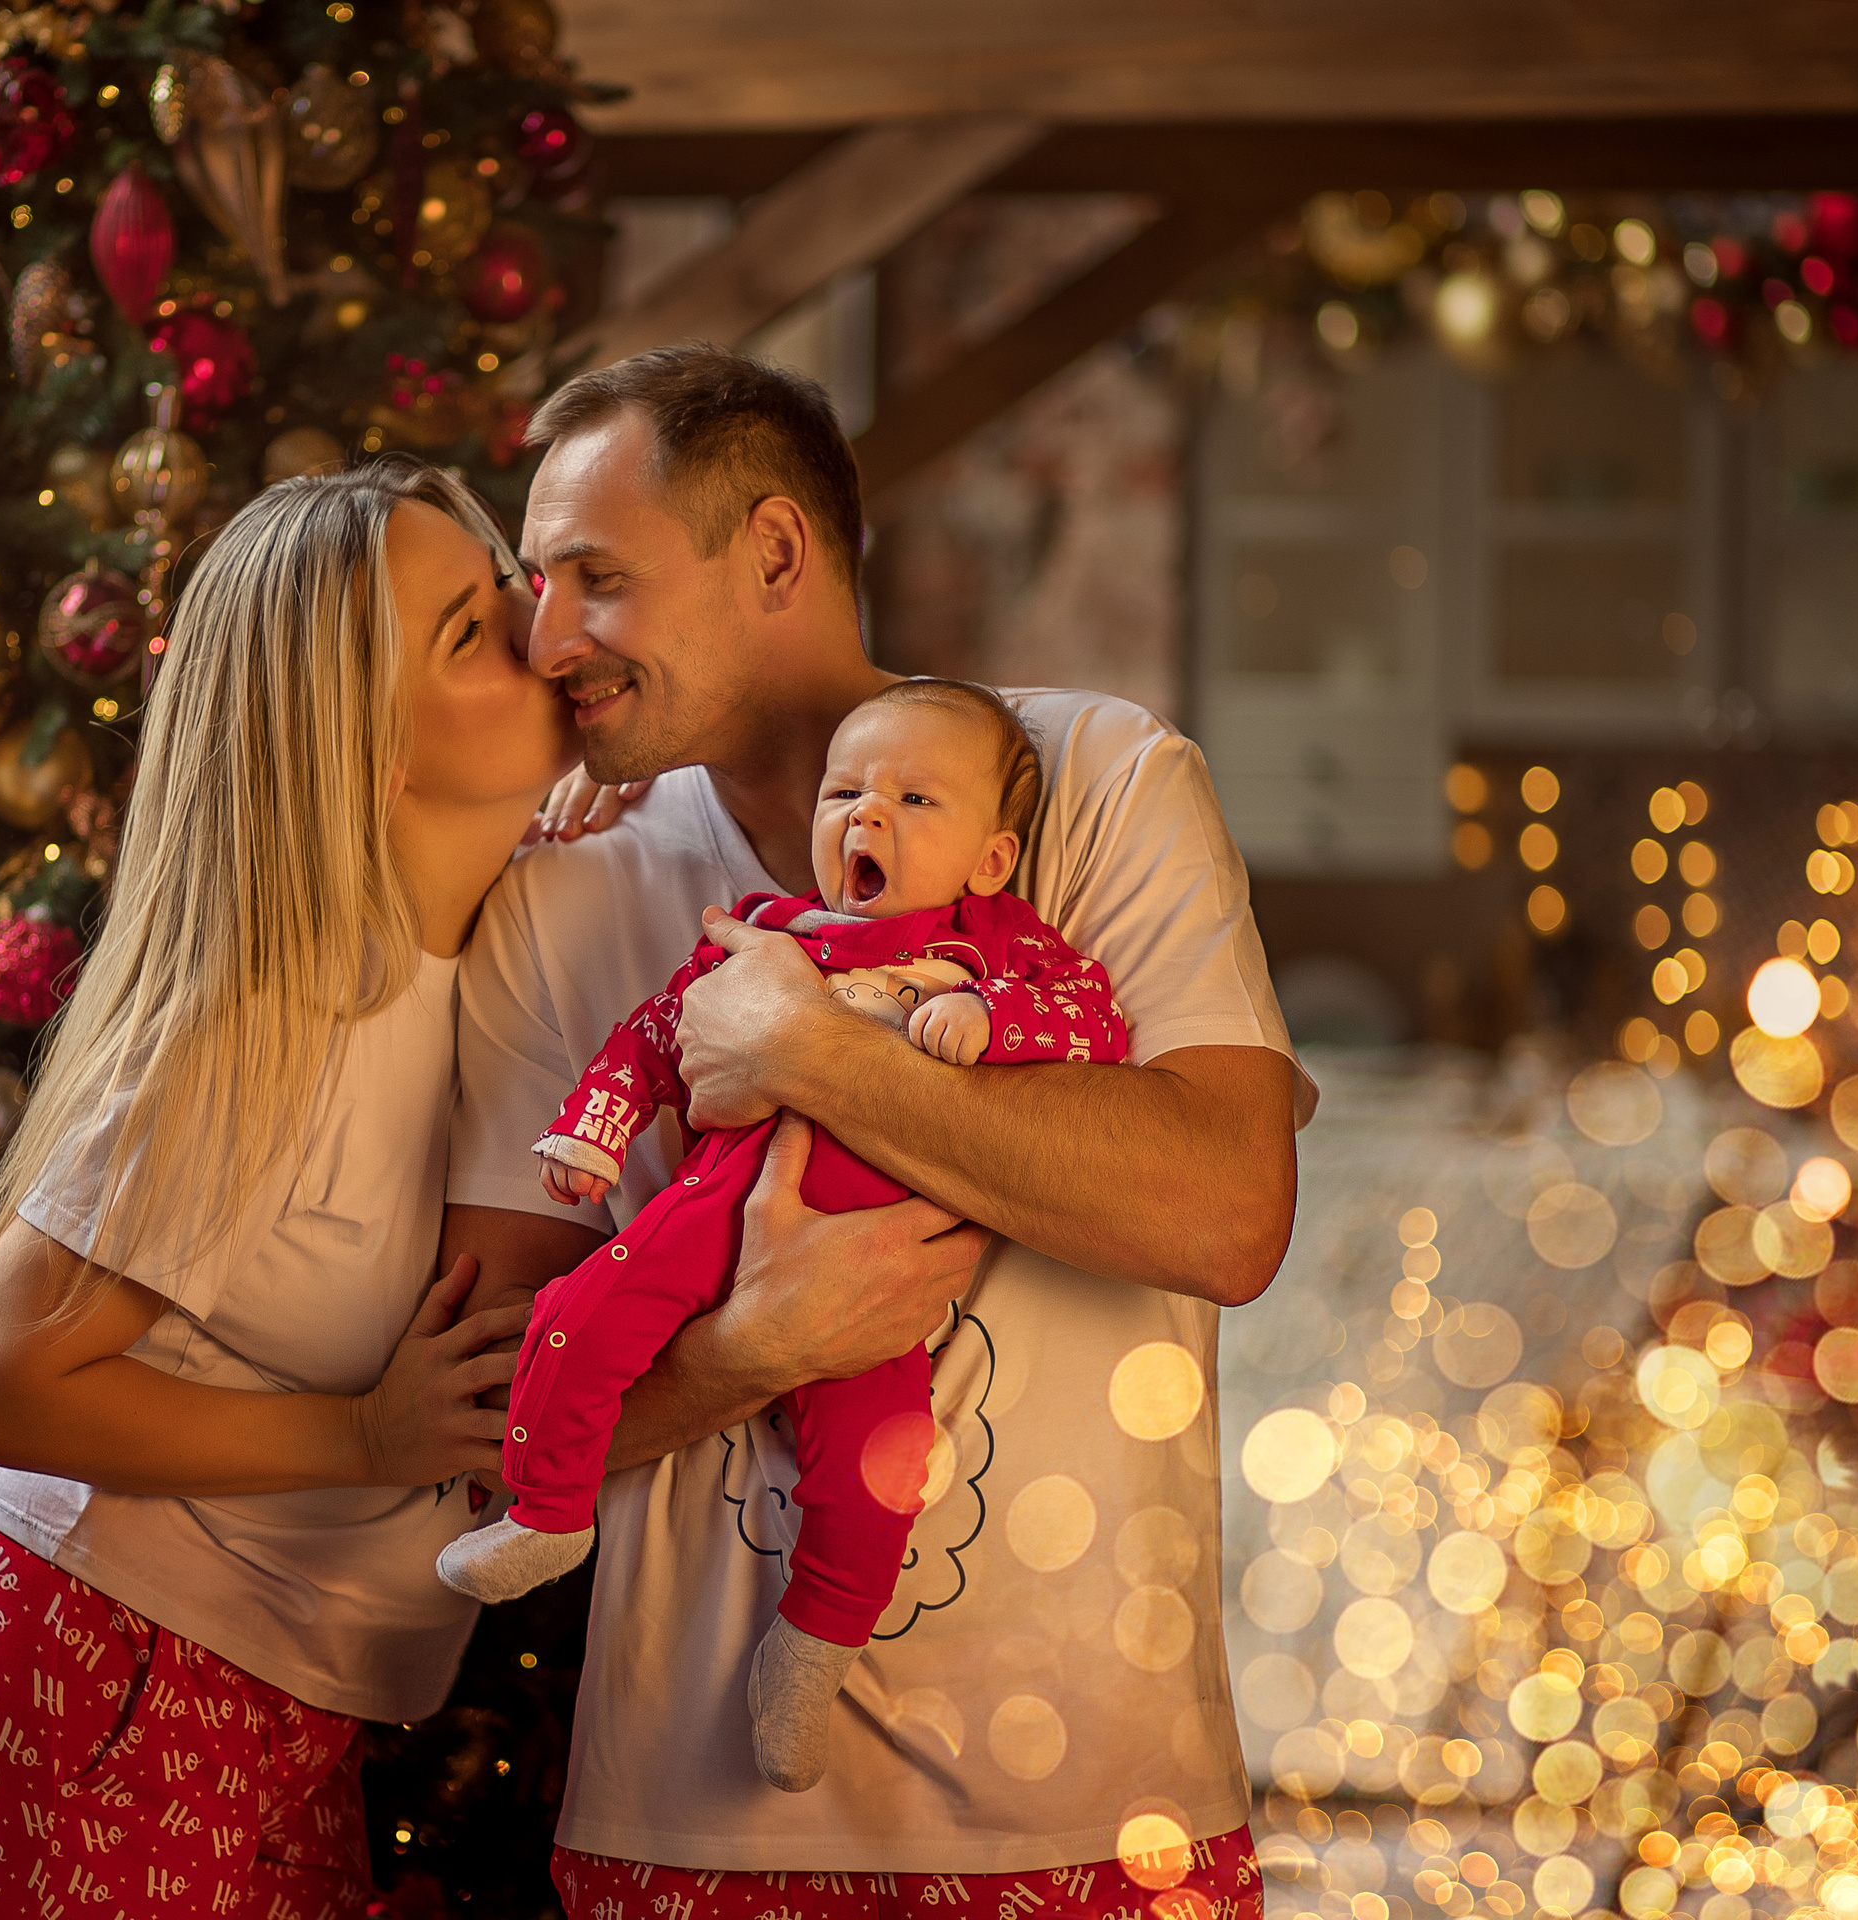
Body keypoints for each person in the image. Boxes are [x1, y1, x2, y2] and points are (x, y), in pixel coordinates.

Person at [443, 346, 1313, 1919]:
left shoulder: (1096, 782)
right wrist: (740, 1355)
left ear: (774, 552)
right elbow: (463, 1429)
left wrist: (803, 1046)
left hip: (1098, 1830)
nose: (546, 634)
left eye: (598, 578)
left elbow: (1228, 1208)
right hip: (680, 1835)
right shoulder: (571, 884)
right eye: (532, 583)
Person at [0, 462, 562, 1917]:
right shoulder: (273, 1020)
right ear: (365, 750)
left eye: (505, 575)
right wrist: (366, 1433)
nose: (533, 614)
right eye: (466, 627)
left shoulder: (468, 956)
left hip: (254, 1680)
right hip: (96, 1651)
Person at [439, 680, 1129, 1797]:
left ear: (991, 860)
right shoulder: (763, 936)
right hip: (713, 1211)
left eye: (913, 798)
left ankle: (810, 1650)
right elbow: (654, 1037)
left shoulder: (994, 947)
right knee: (574, 1318)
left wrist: (995, 1020)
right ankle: (548, 1508)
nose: (867, 816)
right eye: (846, 790)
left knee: (883, 1465)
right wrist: (595, 1132)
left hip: (879, 1255)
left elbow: (1096, 1021)